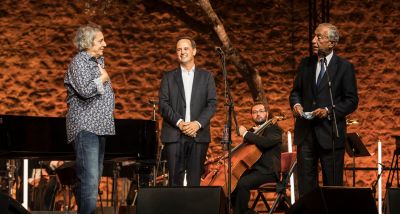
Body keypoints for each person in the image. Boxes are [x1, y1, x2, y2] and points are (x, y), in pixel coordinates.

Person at [289, 23, 358, 197]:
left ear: (332, 43)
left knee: (332, 188)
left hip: (331, 135)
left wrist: (328, 110)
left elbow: (351, 100)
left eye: (319, 37)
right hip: (305, 134)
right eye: (314, 36)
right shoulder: (306, 64)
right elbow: (295, 91)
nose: (314, 40)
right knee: (306, 187)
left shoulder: (344, 67)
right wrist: (296, 104)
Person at [64, 24, 115, 213]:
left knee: (93, 181)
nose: (105, 44)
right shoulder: (79, 62)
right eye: (101, 41)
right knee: (90, 180)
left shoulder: (97, 62)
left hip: (99, 128)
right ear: (87, 43)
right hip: (86, 127)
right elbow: (85, 90)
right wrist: (102, 79)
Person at [159, 37, 217, 186]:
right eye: (179, 49)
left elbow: (212, 104)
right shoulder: (168, 77)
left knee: (194, 182)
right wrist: (180, 123)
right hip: (174, 135)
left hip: (198, 135)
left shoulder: (207, 77)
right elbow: (163, 105)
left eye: (185, 48)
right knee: (174, 182)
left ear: (194, 51)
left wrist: (197, 124)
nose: (182, 52)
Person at [232, 102, 282, 214]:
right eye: (254, 112)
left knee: (243, 183)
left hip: (268, 172)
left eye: (261, 111)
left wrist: (245, 134)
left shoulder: (274, 129)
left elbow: (265, 143)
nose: (258, 114)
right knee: (232, 182)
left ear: (267, 113)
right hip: (254, 171)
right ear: (251, 115)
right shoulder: (252, 131)